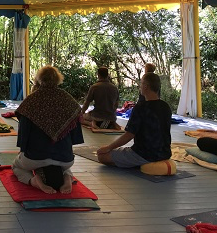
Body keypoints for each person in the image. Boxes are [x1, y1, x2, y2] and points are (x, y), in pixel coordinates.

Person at [12, 66, 83, 194]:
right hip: (65, 158)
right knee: (65, 167)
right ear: (58, 79)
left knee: (16, 166)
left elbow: (23, 135)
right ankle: (67, 178)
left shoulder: (31, 101)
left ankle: (34, 181)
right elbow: (76, 130)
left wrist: (23, 150)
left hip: (35, 157)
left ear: (39, 79)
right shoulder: (68, 100)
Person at [97, 72, 172, 168]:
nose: (139, 86)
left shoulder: (141, 107)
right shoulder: (166, 106)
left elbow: (129, 135)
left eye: (141, 83)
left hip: (143, 154)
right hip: (165, 153)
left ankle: (135, 163)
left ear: (146, 86)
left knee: (102, 156)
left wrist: (108, 147)